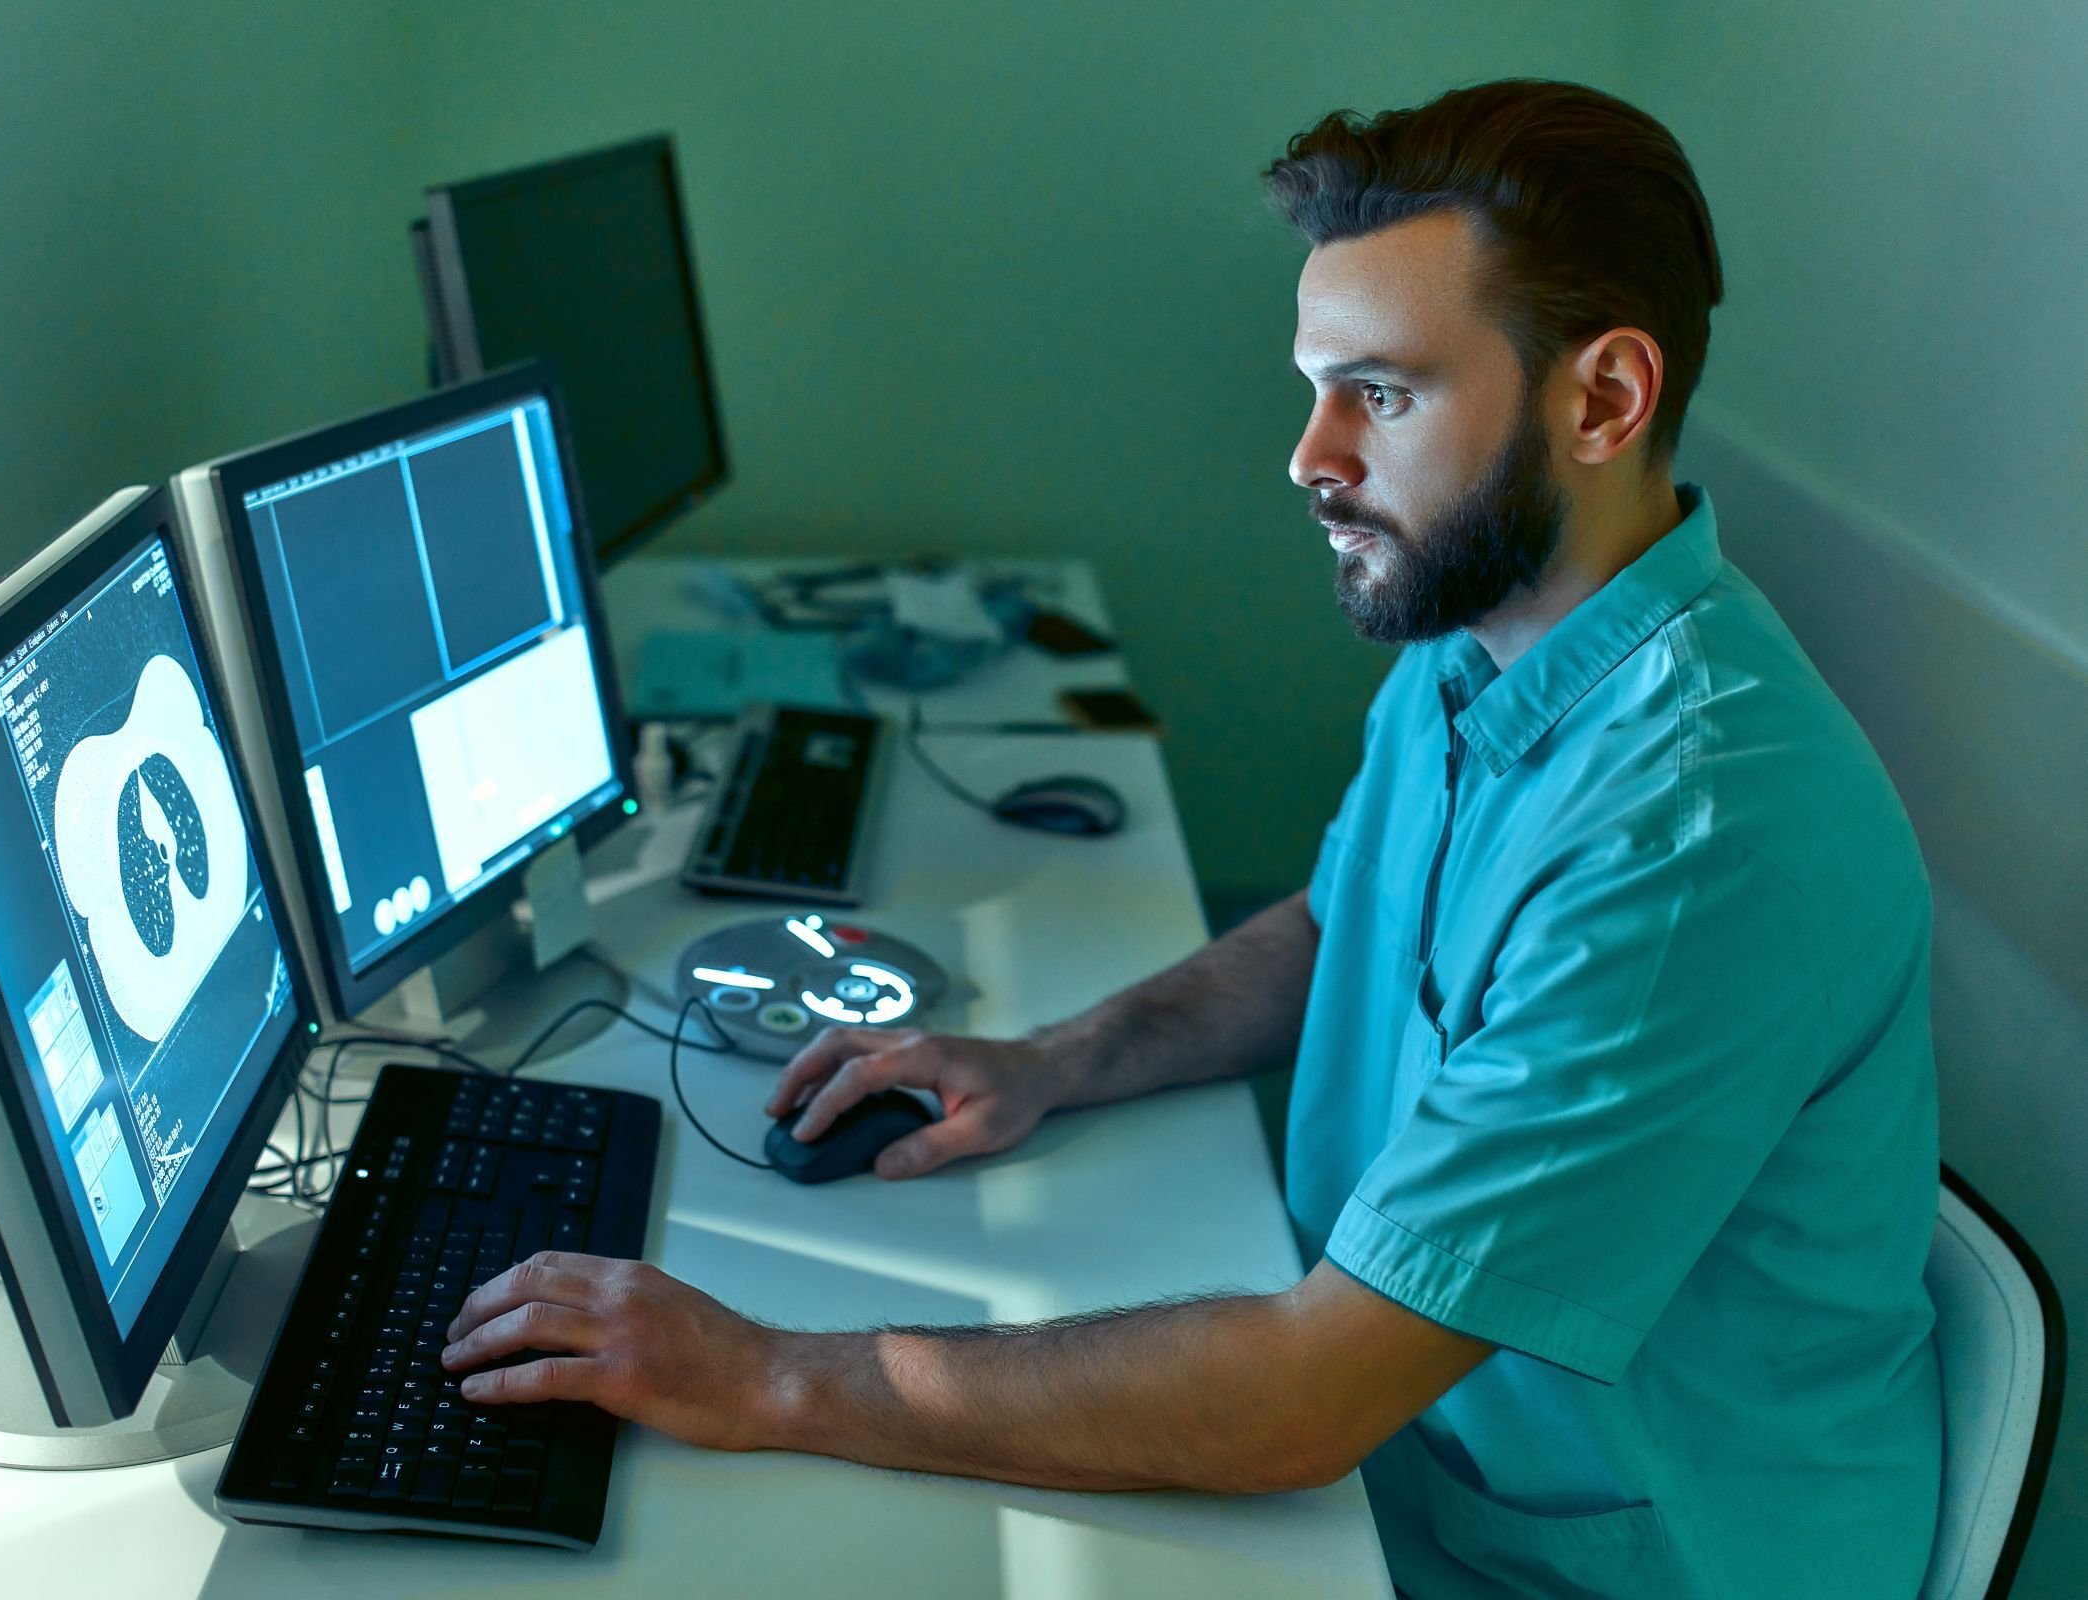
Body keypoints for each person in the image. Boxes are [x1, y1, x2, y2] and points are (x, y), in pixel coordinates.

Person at [443, 79, 1943, 1597]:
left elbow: (1305, 1396)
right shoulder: (1485, 628)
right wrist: (1057, 1060)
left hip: (1583, 1563)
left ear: (1604, 400)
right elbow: (1347, 923)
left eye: (1384, 393)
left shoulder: (1696, 836)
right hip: (1398, 1456)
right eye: (1315, 386)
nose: (1311, 455)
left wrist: (762, 1374)